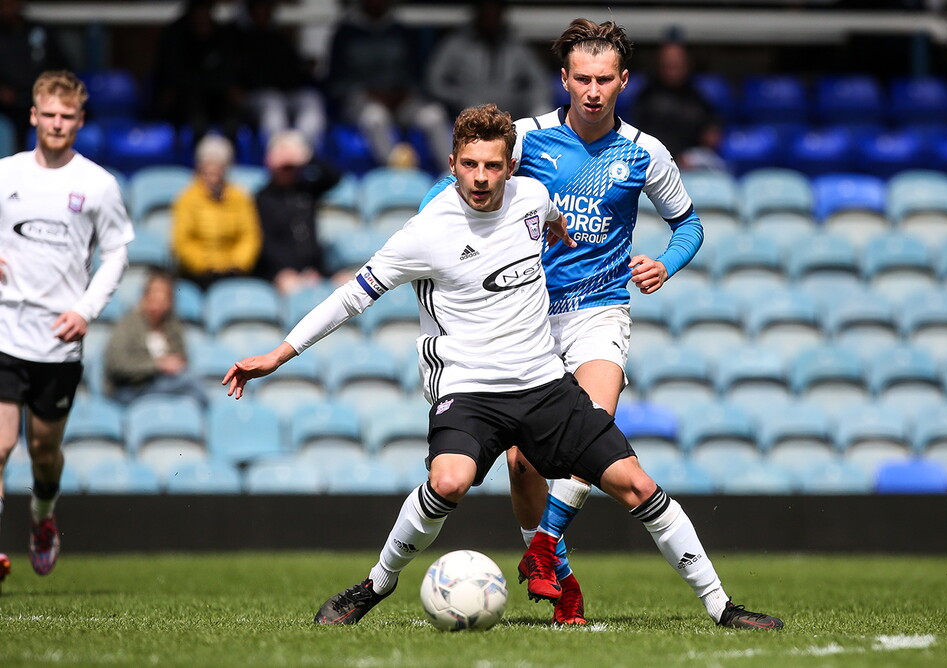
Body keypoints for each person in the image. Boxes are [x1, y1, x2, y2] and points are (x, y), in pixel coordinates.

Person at [222, 104, 782, 631]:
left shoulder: (531, 197)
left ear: (511, 167)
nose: (481, 177)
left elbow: (550, 217)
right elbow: (351, 297)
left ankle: (721, 606)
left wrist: (559, 231)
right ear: (452, 164)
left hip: (543, 385)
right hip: (468, 389)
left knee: (638, 486)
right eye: (470, 164)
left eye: (493, 166)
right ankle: (376, 583)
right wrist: (278, 354)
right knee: (449, 481)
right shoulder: (426, 231)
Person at [417, 18, 707, 626]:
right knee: (522, 464)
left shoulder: (645, 152)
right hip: (526, 317)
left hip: (599, 310)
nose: (593, 91)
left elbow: (689, 224)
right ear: (564, 79)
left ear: (623, 80)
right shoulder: (526, 139)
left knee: (591, 428)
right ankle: (559, 578)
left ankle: (544, 546)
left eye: (604, 79)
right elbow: (449, 189)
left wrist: (666, 263)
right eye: (582, 79)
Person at [0, 70, 134, 590]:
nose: (57, 124)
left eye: (67, 116)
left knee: (43, 449)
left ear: (79, 121)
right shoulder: (7, 173)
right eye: (49, 114)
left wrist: (86, 310)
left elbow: (117, 253)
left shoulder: (97, 184)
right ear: (34, 115)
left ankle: (42, 517)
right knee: (0, 444)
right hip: (6, 329)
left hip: (58, 341)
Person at [325, 0, 450, 171]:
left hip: (402, 98)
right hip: (361, 99)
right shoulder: (345, 33)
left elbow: (417, 74)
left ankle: (454, 175)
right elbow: (335, 82)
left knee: (434, 116)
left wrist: (405, 91)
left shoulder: (401, 32)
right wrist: (367, 93)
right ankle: (398, 174)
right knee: (375, 117)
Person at [426, 0, 552, 121]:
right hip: (466, 113)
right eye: (487, 12)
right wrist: (461, 98)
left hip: (513, 111)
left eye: (495, 12)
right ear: (478, 13)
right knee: (432, 115)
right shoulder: (456, 45)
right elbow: (434, 82)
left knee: (542, 110)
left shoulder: (517, 47)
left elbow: (540, 82)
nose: (490, 17)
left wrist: (525, 99)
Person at [253, 130, 342, 295]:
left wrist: (307, 157)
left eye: (293, 167)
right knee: (293, 287)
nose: (289, 171)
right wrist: (289, 272)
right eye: (285, 167)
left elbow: (335, 178)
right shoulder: (262, 198)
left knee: (350, 282)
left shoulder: (307, 189)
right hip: (280, 272)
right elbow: (266, 245)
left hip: (316, 268)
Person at [103, 268, 207, 407]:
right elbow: (117, 365)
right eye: (153, 297)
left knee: (191, 393)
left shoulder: (172, 325)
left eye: (162, 299)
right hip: (131, 388)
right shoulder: (128, 324)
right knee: (190, 382)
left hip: (163, 383)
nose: (157, 304)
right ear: (145, 297)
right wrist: (157, 365)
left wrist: (173, 364)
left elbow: (181, 359)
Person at [171, 133, 262, 290]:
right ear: (200, 168)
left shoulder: (240, 198)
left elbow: (250, 236)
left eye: (219, 167)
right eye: (208, 166)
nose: (213, 174)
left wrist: (237, 265)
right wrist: (205, 266)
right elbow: (182, 241)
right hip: (198, 275)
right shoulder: (187, 199)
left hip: (235, 272)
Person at [234, 0, 326, 149]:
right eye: (259, 11)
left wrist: (306, 67)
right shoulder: (238, 38)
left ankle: (303, 151)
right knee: (272, 103)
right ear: (251, 13)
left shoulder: (279, 37)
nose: (263, 14)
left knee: (311, 99)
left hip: (286, 93)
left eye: (267, 10)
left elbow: (294, 68)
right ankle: (279, 153)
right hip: (255, 95)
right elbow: (233, 75)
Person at [152, 0, 243, 145]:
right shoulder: (176, 36)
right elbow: (175, 78)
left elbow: (229, 75)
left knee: (232, 117)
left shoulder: (221, 36)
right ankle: (201, 156)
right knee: (195, 113)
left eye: (206, 12)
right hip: (186, 100)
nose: (202, 18)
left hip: (217, 97)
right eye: (199, 13)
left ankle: (230, 154)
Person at [633, 37, 725, 172]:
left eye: (677, 65)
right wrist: (674, 157)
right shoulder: (647, 97)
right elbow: (642, 137)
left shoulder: (697, 95)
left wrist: (711, 134)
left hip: (693, 160)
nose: (672, 70)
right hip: (658, 161)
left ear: (687, 64)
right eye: (668, 65)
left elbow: (710, 128)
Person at [0, 0, 70, 150]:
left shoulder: (39, 32)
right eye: (3, 5)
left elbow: (63, 69)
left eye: (10, 3)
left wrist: (47, 90)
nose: (7, 8)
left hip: (39, 100)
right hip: (5, 108)